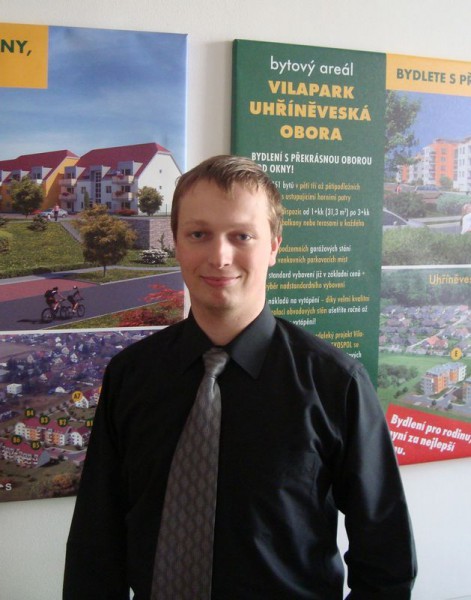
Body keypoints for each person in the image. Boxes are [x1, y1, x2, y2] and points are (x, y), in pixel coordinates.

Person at [63, 155, 417, 599]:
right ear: (176, 243)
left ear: (274, 246)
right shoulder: (130, 375)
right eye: (199, 234)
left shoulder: (336, 384)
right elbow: (96, 544)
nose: (219, 256)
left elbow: (386, 561)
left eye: (242, 236)